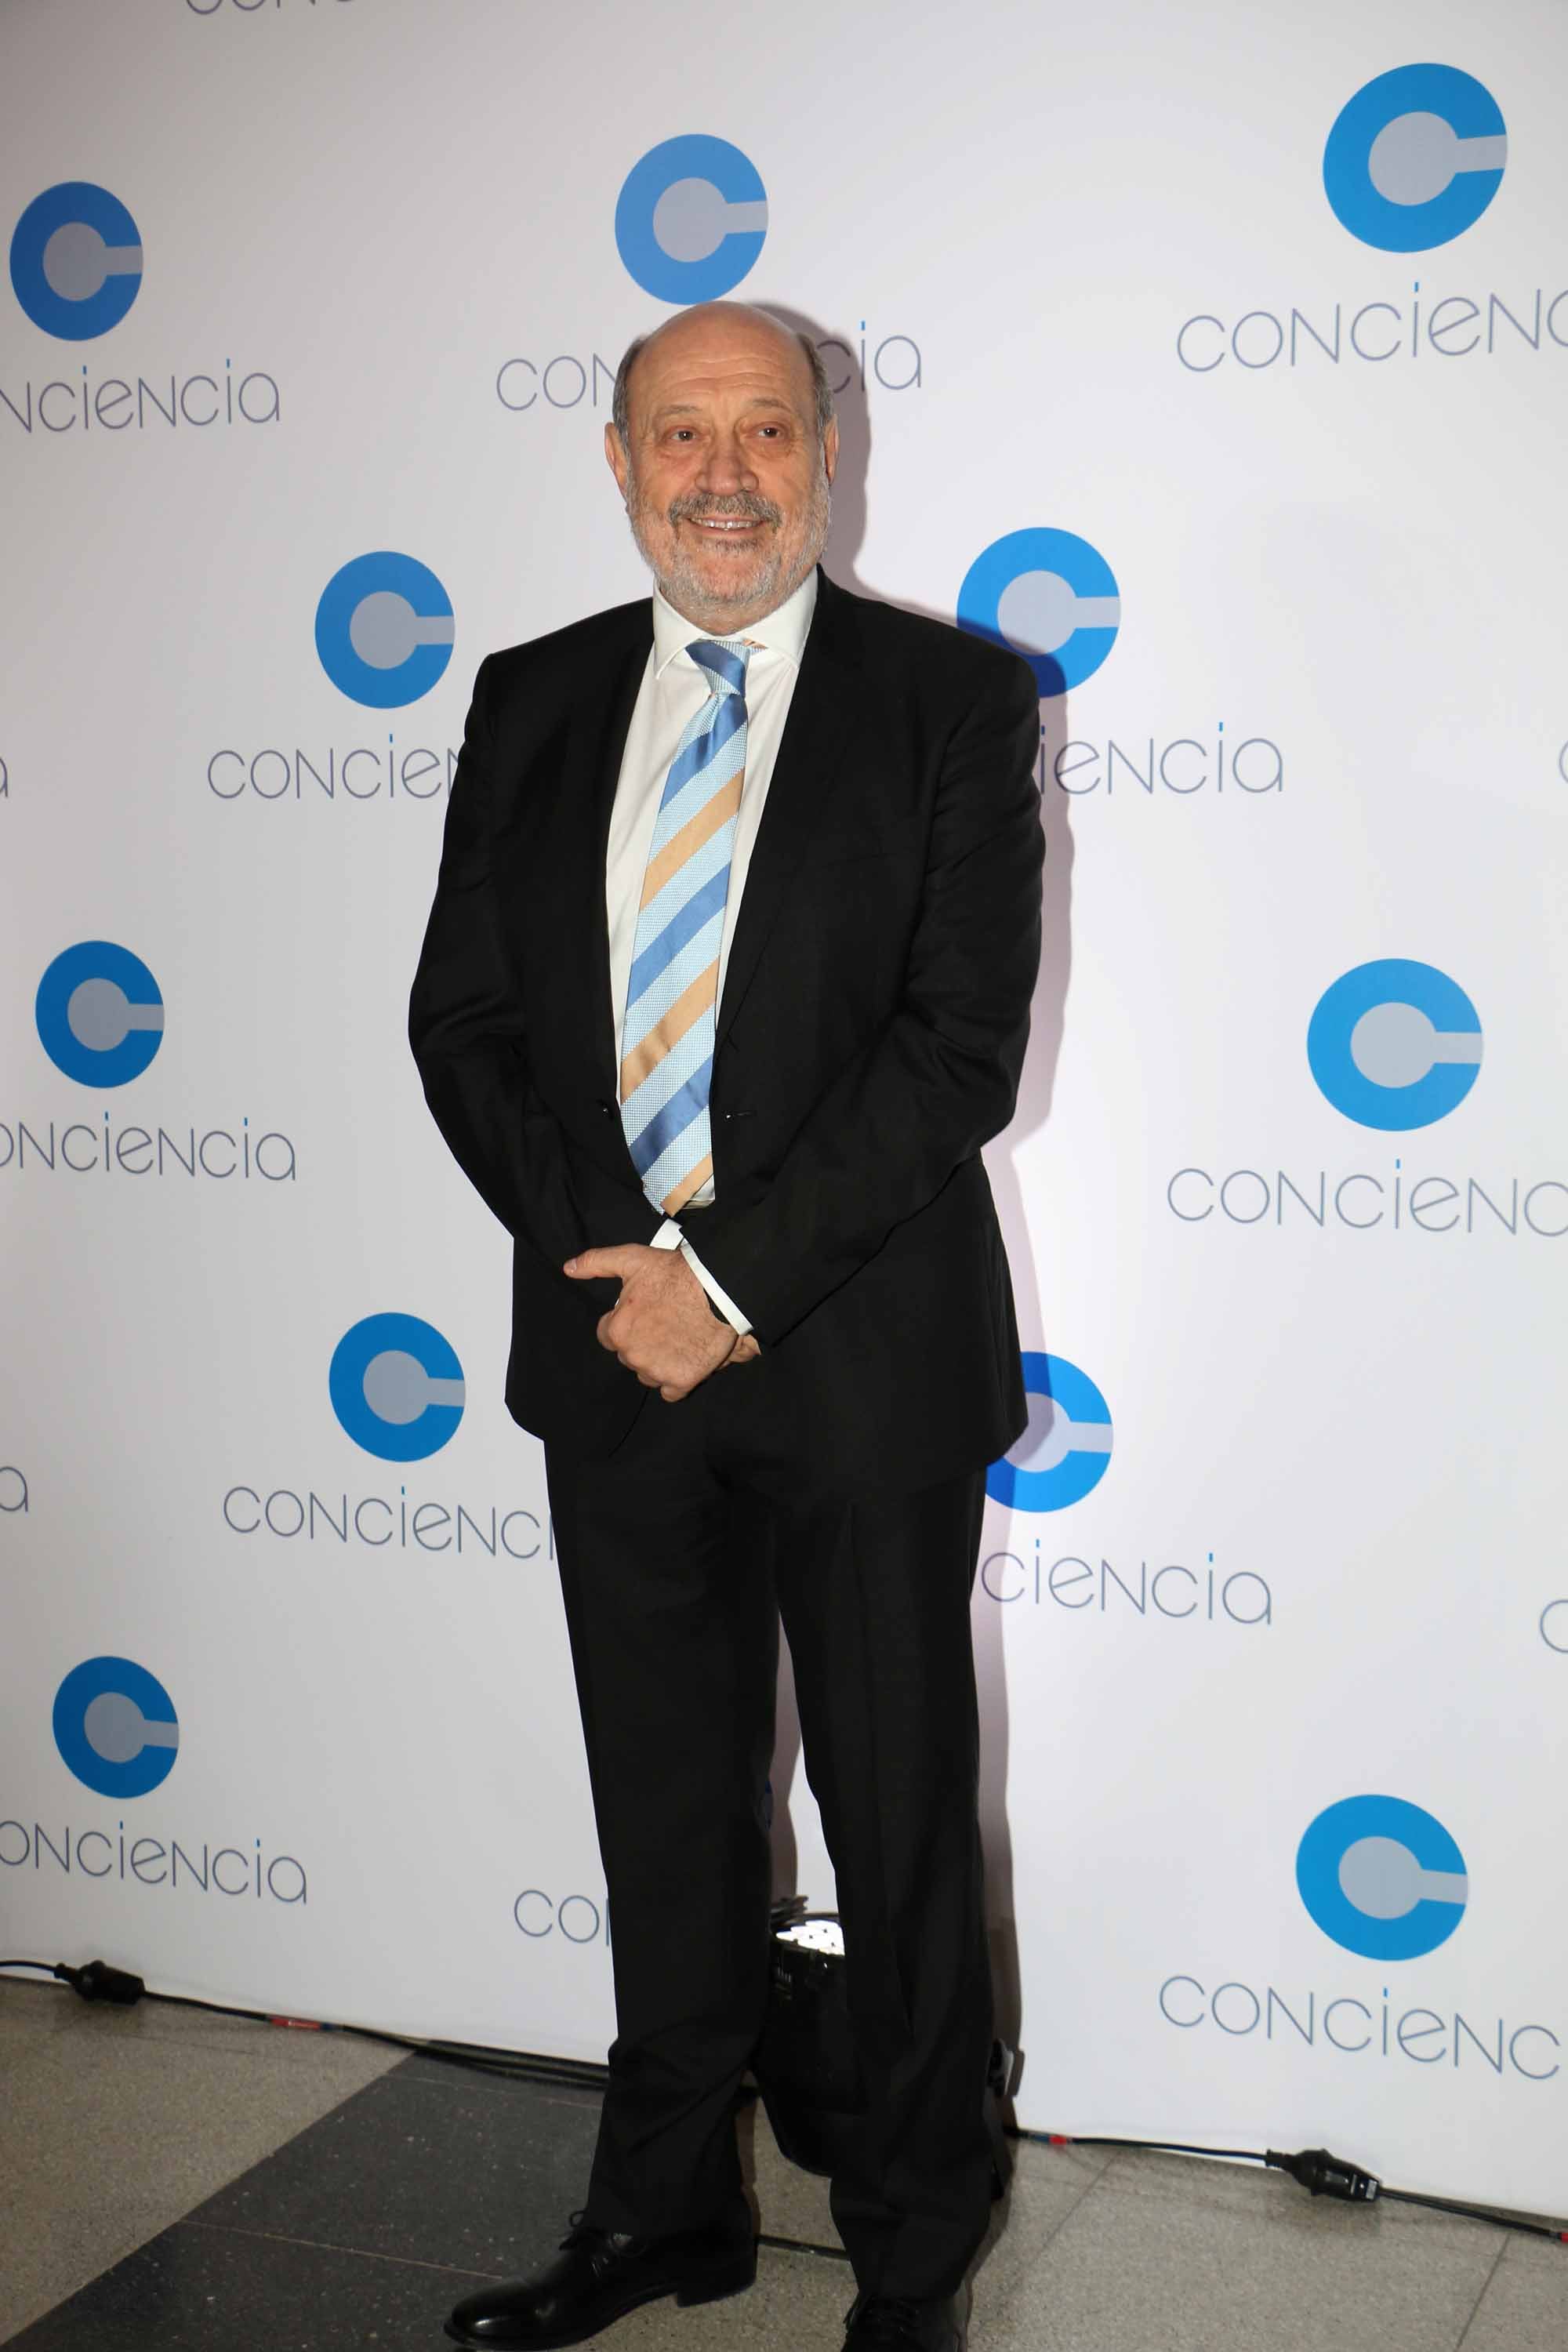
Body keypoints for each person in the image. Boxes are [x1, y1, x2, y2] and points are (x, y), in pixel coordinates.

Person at [410, 299, 1043, 2352]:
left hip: (859, 1357)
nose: (725, 478)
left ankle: (914, 2251)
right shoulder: (529, 698)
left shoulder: (948, 698)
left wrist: (732, 1284)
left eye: (766, 431)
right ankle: (663, 2210)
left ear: (826, 452)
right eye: (680, 437)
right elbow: (469, 1023)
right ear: (618, 463)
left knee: (897, 1820)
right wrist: (628, 1272)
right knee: (667, 1809)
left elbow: (952, 1054)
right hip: (613, 1354)